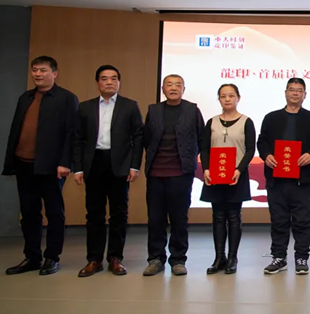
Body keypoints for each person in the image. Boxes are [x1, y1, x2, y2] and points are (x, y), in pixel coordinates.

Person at [2, 56, 79, 276]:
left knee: (54, 213)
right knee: (28, 213)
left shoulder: (67, 98)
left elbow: (71, 133)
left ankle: (52, 257)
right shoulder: (25, 97)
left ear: (54, 73)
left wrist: (65, 162)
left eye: (43, 70)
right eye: (34, 70)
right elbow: (15, 130)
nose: (37, 74)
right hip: (23, 164)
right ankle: (32, 257)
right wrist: (10, 162)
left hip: (52, 166)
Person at [72, 65, 144, 277]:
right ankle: (94, 259)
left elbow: (138, 137)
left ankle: (115, 258)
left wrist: (134, 165)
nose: (109, 82)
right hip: (93, 163)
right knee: (94, 213)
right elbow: (77, 139)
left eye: (114, 78)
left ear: (119, 82)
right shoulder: (85, 107)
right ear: (98, 83)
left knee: (119, 213)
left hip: (119, 164)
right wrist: (78, 168)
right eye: (104, 78)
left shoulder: (130, 106)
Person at [257, 78, 310, 275]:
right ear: (285, 92)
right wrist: (266, 155)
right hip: (276, 179)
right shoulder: (271, 118)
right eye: (292, 90)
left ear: (305, 95)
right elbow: (262, 141)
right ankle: (279, 258)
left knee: (302, 221)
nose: (295, 93)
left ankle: (301, 258)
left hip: (302, 180)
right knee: (279, 220)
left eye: (299, 90)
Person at [142, 74, 205, 276]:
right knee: (155, 219)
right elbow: (146, 138)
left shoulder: (192, 110)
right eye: (169, 84)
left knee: (179, 218)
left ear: (183, 89)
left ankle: (178, 259)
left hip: (181, 173)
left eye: (178, 85)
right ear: (163, 89)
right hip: (155, 173)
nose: (173, 88)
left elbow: (201, 138)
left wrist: (190, 157)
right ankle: (155, 259)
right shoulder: (153, 110)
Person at [200, 84, 255, 275]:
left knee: (233, 216)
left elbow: (250, 149)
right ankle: (219, 257)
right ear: (219, 99)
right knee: (217, 216)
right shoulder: (211, 122)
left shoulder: (246, 122)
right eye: (223, 96)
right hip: (215, 175)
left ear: (238, 98)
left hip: (236, 175)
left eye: (231, 96)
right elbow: (204, 148)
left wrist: (240, 169)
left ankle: (232, 258)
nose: (227, 99)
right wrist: (206, 169)